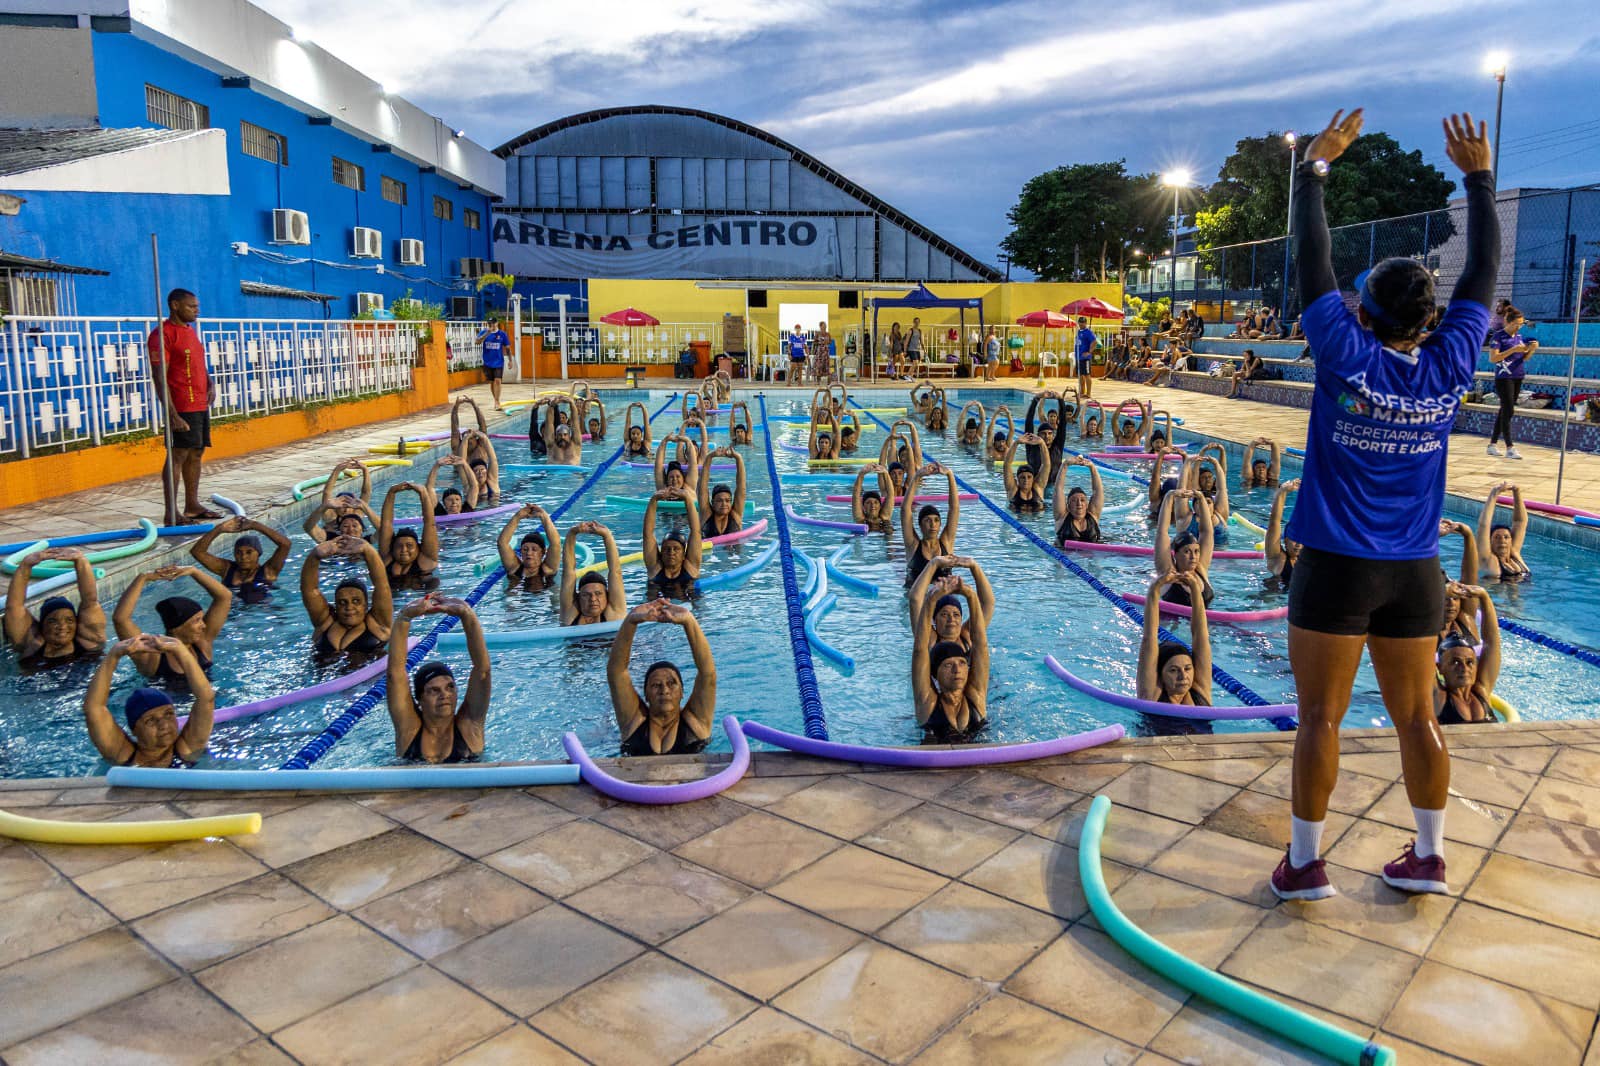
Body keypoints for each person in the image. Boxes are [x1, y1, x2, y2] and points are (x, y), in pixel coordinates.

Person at [1271, 108, 1499, 902]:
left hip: (1337, 565)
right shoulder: (1451, 362)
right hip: (1414, 572)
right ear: (1427, 320)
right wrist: (1477, 178)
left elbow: (1312, 258)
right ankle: (1429, 857)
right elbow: (1480, 280)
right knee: (1416, 718)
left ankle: (1304, 866)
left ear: (1362, 310)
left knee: (1320, 722)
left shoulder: (1341, 349)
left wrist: (1315, 169)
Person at [387, 594, 489, 763]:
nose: (445, 695)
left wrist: (467, 614)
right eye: (434, 690)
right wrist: (404, 617)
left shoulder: (469, 726)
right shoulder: (409, 729)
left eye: (450, 687)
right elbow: (394, 675)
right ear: (420, 699)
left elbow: (482, 672)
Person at [608, 598, 716, 755]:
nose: (664, 690)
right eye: (656, 685)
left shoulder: (696, 722)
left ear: (682, 693)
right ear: (646, 694)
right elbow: (616, 673)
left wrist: (689, 621)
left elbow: (708, 674)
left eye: (672, 683)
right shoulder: (634, 721)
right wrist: (630, 621)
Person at [83, 636, 213, 768]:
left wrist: (180, 650)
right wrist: (112, 657)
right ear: (134, 730)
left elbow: (206, 699)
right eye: (150, 720)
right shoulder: (123, 755)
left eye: (168, 714)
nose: (163, 724)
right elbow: (94, 709)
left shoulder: (187, 748)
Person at [147, 288, 219, 520]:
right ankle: (171, 512)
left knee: (196, 454)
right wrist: (172, 414)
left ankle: (192, 505)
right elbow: (160, 376)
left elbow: (197, 362)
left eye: (197, 307)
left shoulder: (190, 331)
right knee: (177, 456)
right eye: (192, 307)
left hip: (199, 403)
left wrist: (209, 383)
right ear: (175, 306)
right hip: (181, 405)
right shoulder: (163, 335)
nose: (197, 311)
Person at [113, 565, 231, 690]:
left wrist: (193, 571)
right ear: (176, 627)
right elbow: (120, 619)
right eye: (197, 621)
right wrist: (143, 578)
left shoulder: (202, 643)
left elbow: (224, 597)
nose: (204, 625)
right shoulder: (152, 656)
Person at [911, 571, 989, 742]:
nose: (957, 670)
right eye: (948, 665)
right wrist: (931, 600)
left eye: (962, 663)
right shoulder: (927, 702)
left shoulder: (976, 695)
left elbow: (981, 646)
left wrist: (971, 595)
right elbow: (919, 651)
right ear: (934, 673)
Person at [5, 547, 106, 669]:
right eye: (53, 621)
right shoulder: (31, 644)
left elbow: (90, 600)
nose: (62, 626)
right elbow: (14, 606)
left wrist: (81, 560)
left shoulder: (89, 639)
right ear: (42, 625)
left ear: (77, 622)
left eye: (69, 620)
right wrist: (25, 565)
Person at [301, 535, 393, 660]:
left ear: (366, 605)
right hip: (322, 679)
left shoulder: (378, 624)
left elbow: (382, 586)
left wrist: (368, 550)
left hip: (369, 678)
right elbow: (309, 590)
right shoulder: (324, 622)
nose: (349, 607)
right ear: (336, 606)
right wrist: (314, 556)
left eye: (356, 601)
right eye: (342, 602)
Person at [1137, 571, 1212, 707]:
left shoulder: (1200, 692)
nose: (1183, 677)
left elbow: (1201, 635)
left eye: (1188, 669)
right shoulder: (1152, 696)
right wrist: (1155, 588)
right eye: (1173, 670)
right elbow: (1149, 637)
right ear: (1160, 675)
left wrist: (1195, 589)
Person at [1435, 584, 1502, 726]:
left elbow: (1492, 643)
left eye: (1470, 662)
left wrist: (1484, 597)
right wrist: (1438, 593)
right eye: (1455, 662)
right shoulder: (1438, 696)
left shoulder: (1481, 691)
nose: (1464, 668)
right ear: (1440, 668)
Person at [189, 517, 290, 603]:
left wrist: (255, 525)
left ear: (258, 553)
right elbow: (197, 552)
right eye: (239, 552)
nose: (243, 557)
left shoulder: (269, 571)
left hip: (262, 613)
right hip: (233, 616)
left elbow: (285, 545)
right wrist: (219, 529)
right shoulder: (226, 569)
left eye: (249, 552)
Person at [909, 558, 995, 650]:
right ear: (934, 620)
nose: (951, 619)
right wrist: (933, 564)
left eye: (956, 614)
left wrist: (974, 566)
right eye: (944, 614)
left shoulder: (968, 637)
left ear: (961, 619)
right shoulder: (929, 639)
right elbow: (915, 599)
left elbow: (988, 604)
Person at [1486, 305, 1535, 458]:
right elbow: (1493, 358)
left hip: (1517, 376)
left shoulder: (1518, 338)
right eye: (1516, 324)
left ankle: (1492, 445)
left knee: (1505, 410)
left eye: (1521, 324)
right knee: (1509, 410)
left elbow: (1523, 358)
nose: (1518, 327)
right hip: (1504, 377)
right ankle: (1509, 447)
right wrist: (1512, 350)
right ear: (1508, 322)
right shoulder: (1498, 337)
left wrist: (1531, 349)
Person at [902, 462, 960, 587]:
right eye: (927, 520)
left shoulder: (946, 543)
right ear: (920, 525)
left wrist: (950, 475)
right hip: (916, 602)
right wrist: (916, 477)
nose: (933, 524)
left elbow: (954, 508)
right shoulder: (913, 545)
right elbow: (905, 509)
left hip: (942, 600)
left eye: (936, 520)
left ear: (940, 524)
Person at [1155, 489, 1216, 608]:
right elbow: (1162, 532)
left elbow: (1207, 532)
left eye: (1196, 551)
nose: (1194, 557)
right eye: (1187, 551)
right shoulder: (1168, 573)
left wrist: (1201, 498)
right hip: (1174, 625)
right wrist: (1169, 497)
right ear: (1175, 554)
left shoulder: (1200, 569)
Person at [561, 521, 628, 625]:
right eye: (586, 595)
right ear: (578, 598)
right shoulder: (570, 614)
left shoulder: (614, 613)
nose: (593, 599)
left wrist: (607, 535)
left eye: (598, 593)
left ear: (607, 595)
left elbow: (615, 571)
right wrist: (572, 533)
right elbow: (568, 571)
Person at [377, 482, 441, 588]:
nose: (404, 549)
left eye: (409, 545)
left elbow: (430, 523)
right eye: (399, 546)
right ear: (392, 549)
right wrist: (391, 493)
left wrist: (424, 493)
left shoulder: (426, 559)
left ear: (418, 549)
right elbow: (386, 523)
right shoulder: (387, 557)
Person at [643, 490, 703, 600]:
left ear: (684, 554)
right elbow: (647, 534)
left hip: (689, 608)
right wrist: (653, 500)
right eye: (667, 549)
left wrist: (687, 498)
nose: (671, 552)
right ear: (661, 553)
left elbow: (696, 531)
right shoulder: (655, 568)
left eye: (676, 549)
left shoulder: (691, 566)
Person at [1475, 481, 1531, 581]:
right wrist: (1494, 493)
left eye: (1506, 537)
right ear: (1489, 542)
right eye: (1497, 537)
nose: (1502, 540)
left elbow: (1520, 522)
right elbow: (1484, 525)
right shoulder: (1488, 560)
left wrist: (1516, 491)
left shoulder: (1514, 553)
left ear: (1511, 540)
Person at [498, 503, 561, 591]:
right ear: (521, 552)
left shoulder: (548, 569)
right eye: (525, 549)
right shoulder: (514, 568)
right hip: (518, 602)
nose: (529, 553)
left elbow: (556, 543)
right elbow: (502, 543)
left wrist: (544, 516)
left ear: (542, 552)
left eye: (534, 549)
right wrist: (517, 517)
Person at [1053, 456, 1105, 545]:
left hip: (1092, 557)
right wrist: (1065, 465)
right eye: (1074, 500)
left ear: (1087, 504)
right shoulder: (1062, 517)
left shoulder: (1093, 515)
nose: (1079, 503)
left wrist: (1092, 467)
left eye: (1082, 500)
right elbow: (1058, 489)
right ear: (1068, 506)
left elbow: (1098, 490)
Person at [699, 448, 746, 538]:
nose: (724, 504)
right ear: (712, 503)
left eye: (727, 500)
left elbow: (741, 488)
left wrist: (738, 458)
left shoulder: (735, 514)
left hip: (734, 551)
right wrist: (709, 457)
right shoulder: (706, 515)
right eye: (719, 501)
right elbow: (702, 488)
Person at [1264, 479, 1302, 586]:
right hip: (1275, 599)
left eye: (1301, 540)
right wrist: (1282, 493)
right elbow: (1274, 522)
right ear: (1285, 540)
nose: (1298, 544)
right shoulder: (1277, 557)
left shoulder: (1309, 559)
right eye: (1294, 539)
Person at [1002, 433, 1050, 512]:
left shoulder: (1038, 488)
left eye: (1029, 477)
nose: (1026, 480)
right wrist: (1016, 443)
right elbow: (1007, 465)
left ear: (1033, 478)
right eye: (1022, 477)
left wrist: (1042, 443)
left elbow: (1046, 465)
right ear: (1017, 479)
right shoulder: (1013, 490)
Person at [476, 320, 511, 409]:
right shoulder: (484, 332)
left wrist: (510, 360)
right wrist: (486, 334)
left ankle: (497, 401)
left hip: (499, 362)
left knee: (498, 381)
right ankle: (496, 400)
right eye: (489, 323)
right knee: (492, 382)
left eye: (492, 323)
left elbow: (507, 348)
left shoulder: (502, 334)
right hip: (488, 362)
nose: (491, 325)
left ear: (496, 323)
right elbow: (477, 342)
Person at [851, 463, 895, 533]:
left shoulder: (884, 517)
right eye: (868, 502)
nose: (872, 505)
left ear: (880, 506)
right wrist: (861, 475)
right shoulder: (860, 518)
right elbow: (856, 495)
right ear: (863, 506)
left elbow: (891, 494)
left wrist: (886, 473)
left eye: (876, 502)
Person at [1074, 317, 1096, 398]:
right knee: (1080, 375)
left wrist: (1089, 352)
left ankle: (1088, 393)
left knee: (1087, 375)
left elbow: (1094, 341)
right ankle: (1082, 392)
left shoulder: (1088, 332)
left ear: (1085, 323)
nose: (1081, 324)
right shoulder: (1079, 332)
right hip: (1078, 357)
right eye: (1080, 322)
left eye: (1083, 322)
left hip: (1085, 358)